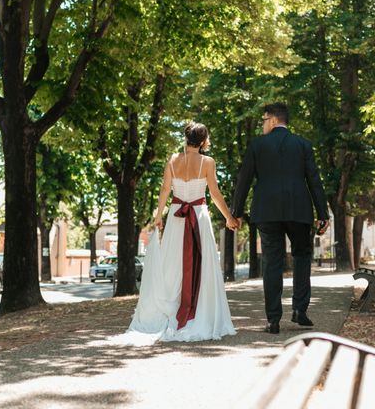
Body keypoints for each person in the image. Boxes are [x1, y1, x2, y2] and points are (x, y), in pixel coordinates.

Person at [111, 122, 237, 345]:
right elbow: (215, 193)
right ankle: (200, 313)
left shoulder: (172, 160)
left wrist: (159, 215)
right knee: (203, 263)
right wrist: (228, 217)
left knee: (173, 265)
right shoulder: (207, 162)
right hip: (198, 215)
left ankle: (172, 309)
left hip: (176, 217)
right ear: (202, 141)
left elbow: (165, 189)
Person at [232, 103, 329, 334]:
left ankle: (273, 319)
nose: (262, 125)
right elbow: (314, 180)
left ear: (274, 120)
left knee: (272, 263)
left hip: (267, 211)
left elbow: (243, 180)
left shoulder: (257, 145)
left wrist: (235, 212)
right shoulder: (303, 145)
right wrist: (322, 214)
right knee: (302, 257)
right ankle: (299, 310)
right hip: (299, 209)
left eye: (263, 120)